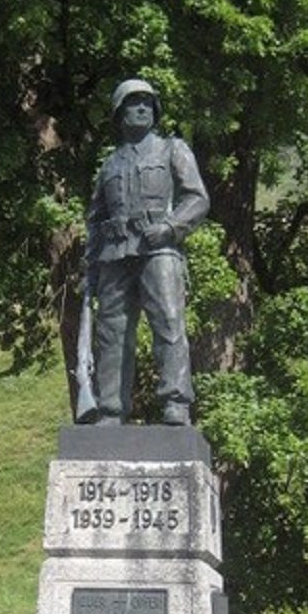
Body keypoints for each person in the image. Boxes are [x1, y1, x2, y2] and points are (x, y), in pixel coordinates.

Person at [83, 78, 209, 426]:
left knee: (168, 321)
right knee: (112, 333)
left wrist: (170, 228)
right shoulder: (109, 165)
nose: (142, 108)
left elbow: (197, 198)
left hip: (159, 249)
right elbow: (96, 220)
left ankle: (176, 402)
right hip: (114, 256)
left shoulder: (172, 149)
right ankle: (110, 408)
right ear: (119, 113)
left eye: (148, 103)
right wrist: (90, 269)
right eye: (134, 103)